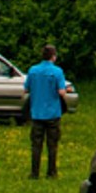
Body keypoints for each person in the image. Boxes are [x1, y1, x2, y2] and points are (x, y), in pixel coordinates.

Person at [24, 44, 73, 179]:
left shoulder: (33, 70)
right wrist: (67, 90)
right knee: (52, 144)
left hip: (37, 112)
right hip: (53, 113)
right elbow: (61, 92)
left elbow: (26, 89)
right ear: (53, 56)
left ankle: (34, 173)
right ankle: (51, 172)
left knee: (36, 145)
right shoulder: (57, 72)